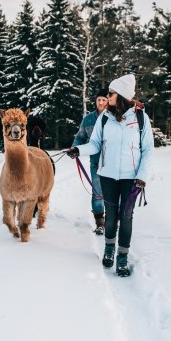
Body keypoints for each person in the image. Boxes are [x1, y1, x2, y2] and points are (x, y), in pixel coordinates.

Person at [66, 74, 154, 277]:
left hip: (132, 178)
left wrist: (142, 175)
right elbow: (95, 143)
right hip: (107, 176)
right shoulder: (105, 118)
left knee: (126, 216)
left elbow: (148, 149)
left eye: (111, 93)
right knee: (111, 217)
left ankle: (122, 258)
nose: (107, 96)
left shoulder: (141, 118)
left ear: (121, 95)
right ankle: (109, 249)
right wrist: (78, 150)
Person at [72, 88, 109, 235]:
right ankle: (100, 223)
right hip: (95, 162)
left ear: (108, 101)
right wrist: (75, 148)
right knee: (98, 193)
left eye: (104, 100)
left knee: (113, 194)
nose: (101, 102)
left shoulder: (114, 118)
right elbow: (80, 137)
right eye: (98, 99)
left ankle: (113, 221)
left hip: (113, 163)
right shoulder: (88, 119)